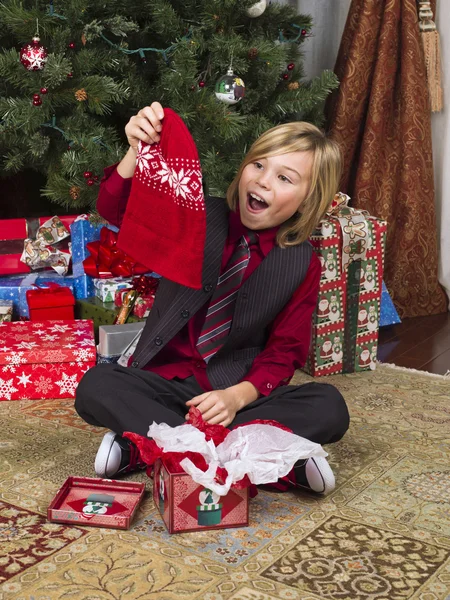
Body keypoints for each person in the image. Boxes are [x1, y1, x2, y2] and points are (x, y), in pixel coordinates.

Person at [75, 102, 349, 495]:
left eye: (285, 178)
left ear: (308, 200)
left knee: (328, 405)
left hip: (232, 395)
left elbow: (285, 352)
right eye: (258, 165)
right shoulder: (199, 213)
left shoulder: (302, 263)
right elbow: (114, 208)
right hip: (163, 384)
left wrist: (237, 397)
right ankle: (268, 459)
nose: (263, 182)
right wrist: (136, 150)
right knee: (97, 384)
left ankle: (147, 446)